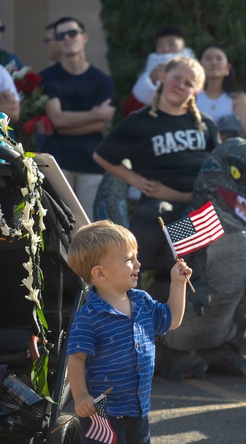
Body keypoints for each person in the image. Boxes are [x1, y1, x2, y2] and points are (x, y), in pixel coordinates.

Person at [66, 220, 189, 444]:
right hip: (103, 407)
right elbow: (76, 359)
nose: (138, 262)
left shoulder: (142, 301)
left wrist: (177, 283)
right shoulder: (89, 317)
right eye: (129, 259)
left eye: (136, 256)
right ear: (100, 273)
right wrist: (81, 396)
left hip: (136, 404)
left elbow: (171, 319)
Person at [94, 57, 219, 294]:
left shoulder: (206, 125)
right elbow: (102, 155)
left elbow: (217, 168)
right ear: (163, 76)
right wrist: (135, 180)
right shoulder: (139, 122)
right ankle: (138, 289)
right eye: (176, 78)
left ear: (196, 90)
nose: (181, 85)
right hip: (159, 207)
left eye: (188, 83)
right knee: (155, 216)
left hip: (200, 206)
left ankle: (200, 287)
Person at [40, 17, 116, 218]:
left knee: (88, 224)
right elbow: (56, 118)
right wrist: (94, 114)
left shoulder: (103, 80)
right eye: (60, 35)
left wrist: (59, 128)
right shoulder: (46, 77)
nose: (67, 38)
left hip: (91, 161)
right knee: (58, 224)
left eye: (72, 33)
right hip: (57, 162)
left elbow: (99, 125)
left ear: (84, 38)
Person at [126, 26, 197, 114]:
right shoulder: (149, 74)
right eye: (160, 45)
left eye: (171, 44)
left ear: (183, 45)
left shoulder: (195, 72)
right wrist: (151, 80)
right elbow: (132, 109)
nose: (165, 49)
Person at [196, 43, 246, 137]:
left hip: (227, 149)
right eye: (208, 59)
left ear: (228, 67)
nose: (213, 63)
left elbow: (241, 135)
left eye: (219, 59)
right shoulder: (191, 96)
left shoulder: (239, 99)